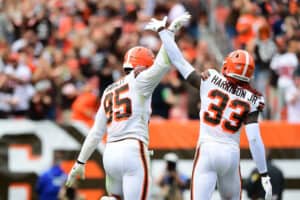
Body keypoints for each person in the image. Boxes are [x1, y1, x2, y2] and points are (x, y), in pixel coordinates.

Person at [145, 12, 273, 200]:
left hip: (207, 148)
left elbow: (179, 62)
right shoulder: (253, 99)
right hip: (231, 153)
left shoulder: (211, 78)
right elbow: (254, 140)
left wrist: (164, 33)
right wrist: (264, 174)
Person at [65, 15, 190, 200]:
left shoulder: (109, 90)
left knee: (116, 197)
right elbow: (164, 61)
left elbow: (95, 133)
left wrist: (80, 162)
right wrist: (168, 33)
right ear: (143, 66)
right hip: (133, 148)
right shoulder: (141, 80)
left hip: (110, 152)